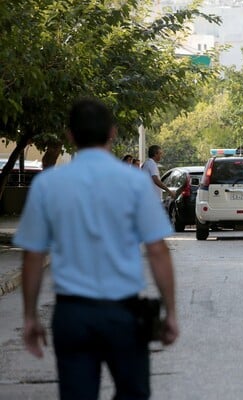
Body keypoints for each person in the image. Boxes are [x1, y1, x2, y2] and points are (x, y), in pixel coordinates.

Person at [13, 98, 179, 400]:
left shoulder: (47, 185)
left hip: (72, 316)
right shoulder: (133, 182)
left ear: (70, 136)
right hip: (124, 316)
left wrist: (29, 317)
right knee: (133, 393)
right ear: (112, 133)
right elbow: (157, 251)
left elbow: (33, 255)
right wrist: (171, 312)